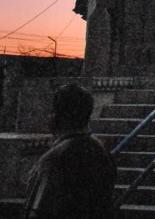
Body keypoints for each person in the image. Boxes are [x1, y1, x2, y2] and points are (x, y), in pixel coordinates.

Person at [23, 83, 116, 219]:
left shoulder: (54, 160)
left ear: (59, 115)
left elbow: (40, 212)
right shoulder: (102, 152)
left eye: (53, 111)